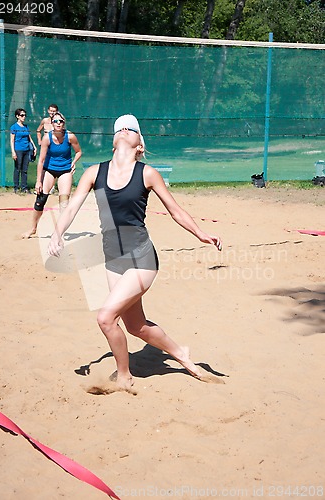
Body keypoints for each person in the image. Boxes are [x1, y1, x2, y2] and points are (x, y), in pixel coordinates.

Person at [48, 114, 222, 394]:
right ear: (114, 140)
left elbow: (175, 210)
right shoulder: (94, 172)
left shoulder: (147, 173)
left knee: (105, 318)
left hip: (141, 258)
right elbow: (71, 207)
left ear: (139, 143)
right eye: (120, 127)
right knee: (136, 326)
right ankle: (181, 353)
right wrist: (57, 234)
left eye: (131, 128)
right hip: (113, 258)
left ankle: (125, 376)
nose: (124, 129)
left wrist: (200, 233)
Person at [22, 111, 82, 238]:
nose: (58, 123)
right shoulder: (47, 138)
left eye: (60, 121)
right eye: (55, 121)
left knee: (64, 203)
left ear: (64, 123)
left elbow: (78, 152)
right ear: (52, 123)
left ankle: (59, 232)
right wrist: (39, 180)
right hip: (49, 170)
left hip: (65, 170)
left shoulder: (70, 136)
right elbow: (41, 160)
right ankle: (33, 228)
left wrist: (74, 163)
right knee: (40, 200)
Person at [10, 108, 37, 194]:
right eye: (22, 115)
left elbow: (29, 137)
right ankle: (16, 187)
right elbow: (12, 140)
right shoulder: (14, 127)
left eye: (24, 115)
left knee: (25, 169)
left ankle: (24, 187)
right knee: (18, 168)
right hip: (18, 150)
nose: (24, 117)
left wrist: (34, 147)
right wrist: (13, 152)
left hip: (27, 150)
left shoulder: (26, 127)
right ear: (17, 116)